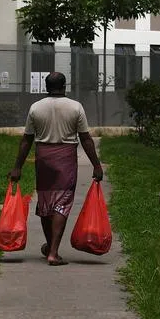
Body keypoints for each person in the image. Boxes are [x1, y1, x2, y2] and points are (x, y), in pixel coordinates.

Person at [8, 71, 104, 266]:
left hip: (43, 158)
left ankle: (50, 246)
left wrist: (17, 167)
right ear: (64, 86)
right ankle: (53, 252)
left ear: (46, 87)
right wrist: (96, 165)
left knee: (45, 202)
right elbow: (86, 139)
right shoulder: (75, 107)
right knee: (63, 202)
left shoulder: (36, 108)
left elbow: (26, 140)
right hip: (65, 159)